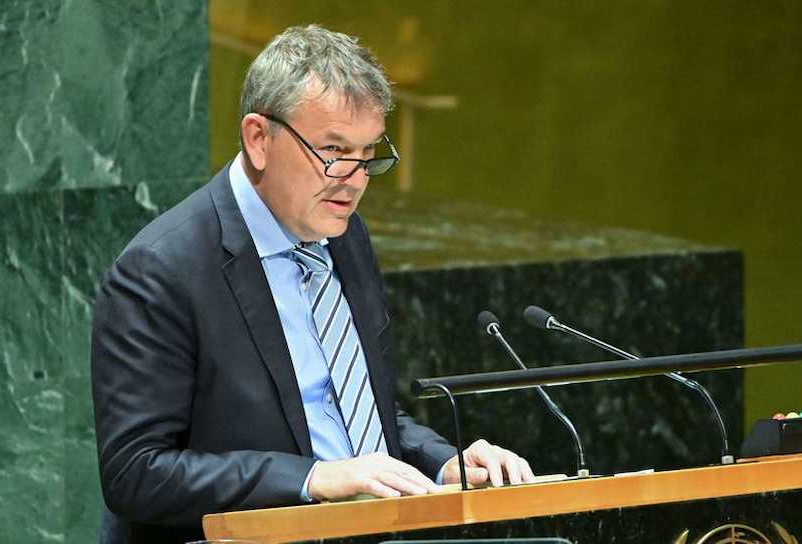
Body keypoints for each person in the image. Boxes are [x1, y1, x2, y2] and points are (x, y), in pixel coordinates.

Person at [91, 24, 534, 542]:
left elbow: (360, 411)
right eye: (333, 150)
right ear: (259, 138)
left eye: (369, 154)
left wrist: (444, 463)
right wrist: (311, 478)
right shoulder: (160, 270)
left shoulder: (343, 235)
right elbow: (135, 472)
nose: (354, 179)